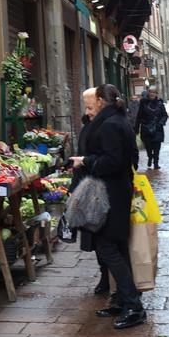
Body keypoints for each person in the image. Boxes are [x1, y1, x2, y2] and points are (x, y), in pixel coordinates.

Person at [70, 84, 146, 330]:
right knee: (117, 246)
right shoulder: (117, 120)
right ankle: (124, 300)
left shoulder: (112, 125)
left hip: (110, 194)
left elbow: (112, 162)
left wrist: (86, 160)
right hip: (115, 192)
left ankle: (134, 306)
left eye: (94, 102)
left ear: (102, 100)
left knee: (108, 247)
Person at [71, 87, 111, 297]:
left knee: (102, 237)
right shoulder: (90, 125)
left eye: (89, 107)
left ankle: (109, 279)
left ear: (100, 104)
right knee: (95, 237)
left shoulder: (105, 126)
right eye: (85, 107)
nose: (87, 112)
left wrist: (85, 163)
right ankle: (104, 275)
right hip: (88, 186)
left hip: (99, 188)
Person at [135, 88, 168, 169]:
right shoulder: (143, 103)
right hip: (146, 128)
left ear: (156, 93)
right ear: (148, 93)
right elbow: (139, 116)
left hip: (157, 128)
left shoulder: (160, 103)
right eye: (150, 92)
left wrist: (161, 123)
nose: (152, 94)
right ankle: (150, 157)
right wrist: (136, 128)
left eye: (154, 92)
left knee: (157, 147)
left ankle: (156, 163)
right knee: (148, 146)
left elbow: (164, 115)